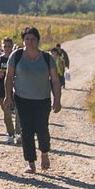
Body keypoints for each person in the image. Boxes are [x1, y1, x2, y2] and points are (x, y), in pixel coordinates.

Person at [7, 24, 64, 173]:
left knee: (42, 129)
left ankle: (44, 153)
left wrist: (57, 99)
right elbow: (9, 77)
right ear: (23, 40)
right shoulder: (16, 56)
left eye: (32, 39)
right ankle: (30, 162)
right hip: (22, 98)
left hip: (42, 99)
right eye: (27, 39)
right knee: (26, 130)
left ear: (38, 40)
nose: (29, 42)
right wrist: (8, 96)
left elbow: (55, 80)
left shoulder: (46, 58)